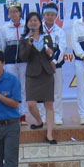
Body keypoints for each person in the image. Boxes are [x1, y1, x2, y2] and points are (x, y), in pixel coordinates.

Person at [20, 11, 58, 144]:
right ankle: (39, 121)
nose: (33, 23)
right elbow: (23, 56)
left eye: (35, 20)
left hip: (46, 73)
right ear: (27, 24)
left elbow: (52, 56)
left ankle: (49, 134)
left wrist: (50, 53)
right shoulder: (24, 39)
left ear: (40, 23)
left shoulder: (47, 38)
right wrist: (30, 44)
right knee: (31, 103)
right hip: (32, 74)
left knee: (49, 104)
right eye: (31, 21)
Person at [0, 0, 27, 119]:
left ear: (20, 13)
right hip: (10, 63)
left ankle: (23, 113)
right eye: (11, 12)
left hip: (24, 62)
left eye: (15, 11)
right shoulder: (5, 28)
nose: (13, 14)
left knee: (23, 88)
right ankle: (12, 112)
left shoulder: (27, 26)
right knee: (11, 87)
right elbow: (2, 47)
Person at [39, 2, 67, 126]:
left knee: (57, 92)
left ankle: (58, 116)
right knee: (41, 92)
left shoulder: (60, 31)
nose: (49, 17)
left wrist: (54, 61)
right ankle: (42, 116)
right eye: (47, 14)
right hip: (40, 66)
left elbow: (62, 48)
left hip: (56, 66)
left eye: (52, 15)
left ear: (56, 16)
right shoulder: (39, 30)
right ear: (43, 15)